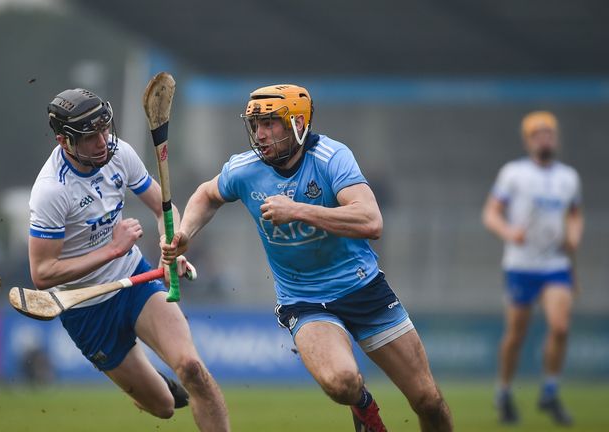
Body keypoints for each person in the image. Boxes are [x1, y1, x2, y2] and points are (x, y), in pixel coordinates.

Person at [161, 84, 453, 432]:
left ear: (297, 123)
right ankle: (364, 408)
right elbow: (207, 195)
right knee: (342, 382)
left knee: (428, 400)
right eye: (255, 125)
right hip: (305, 300)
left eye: (270, 123)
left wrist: (299, 210)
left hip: (363, 288)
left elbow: (371, 221)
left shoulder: (332, 157)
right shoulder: (244, 168)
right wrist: (185, 235)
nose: (260, 134)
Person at [27, 88, 229, 431]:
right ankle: (150, 388)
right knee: (165, 407)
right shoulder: (51, 191)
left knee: (192, 369)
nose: (102, 141)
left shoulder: (119, 154)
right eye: (90, 137)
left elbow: (164, 209)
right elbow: (43, 274)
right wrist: (111, 250)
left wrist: (172, 244)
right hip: (86, 308)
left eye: (105, 130)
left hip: (134, 279)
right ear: (65, 142)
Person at [482, 111, 583, 426]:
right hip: (521, 265)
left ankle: (550, 391)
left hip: (555, 264)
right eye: (538, 134)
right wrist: (510, 232)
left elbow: (575, 214)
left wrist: (574, 237)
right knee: (516, 335)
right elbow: (491, 214)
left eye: (549, 133)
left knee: (560, 327)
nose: (545, 139)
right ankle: (504, 391)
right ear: (528, 140)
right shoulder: (513, 173)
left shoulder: (569, 177)